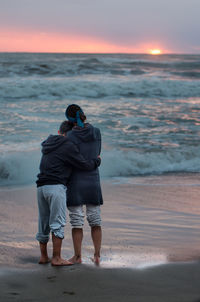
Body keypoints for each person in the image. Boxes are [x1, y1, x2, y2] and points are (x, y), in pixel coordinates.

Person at [36, 121, 101, 266]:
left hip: (41, 187)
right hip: (56, 187)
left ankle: (43, 256)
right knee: (57, 223)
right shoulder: (67, 144)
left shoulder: (48, 143)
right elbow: (83, 164)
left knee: (43, 222)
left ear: (59, 132)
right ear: (70, 134)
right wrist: (96, 161)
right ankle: (57, 258)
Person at [65, 104, 103, 265]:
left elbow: (71, 159)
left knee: (77, 221)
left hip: (75, 180)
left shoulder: (69, 136)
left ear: (69, 119)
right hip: (93, 179)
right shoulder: (96, 132)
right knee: (95, 220)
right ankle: (97, 255)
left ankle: (78, 256)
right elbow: (97, 153)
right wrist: (94, 162)